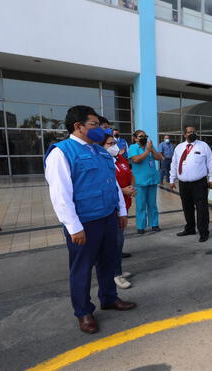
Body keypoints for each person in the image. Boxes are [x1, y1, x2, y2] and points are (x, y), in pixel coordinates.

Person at [44, 105, 135, 334]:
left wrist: (121, 211)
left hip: (107, 217)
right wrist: (74, 227)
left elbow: (112, 183)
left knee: (108, 262)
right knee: (82, 269)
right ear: (78, 126)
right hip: (84, 223)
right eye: (94, 125)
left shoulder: (100, 150)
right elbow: (60, 194)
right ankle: (84, 312)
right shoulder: (62, 152)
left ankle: (109, 298)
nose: (100, 129)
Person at [100, 134, 137, 290]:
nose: (114, 146)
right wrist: (123, 190)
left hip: (124, 204)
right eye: (110, 144)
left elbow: (130, 174)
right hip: (111, 207)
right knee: (115, 241)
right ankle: (115, 274)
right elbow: (103, 185)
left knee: (119, 240)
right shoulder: (102, 161)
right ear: (101, 146)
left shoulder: (120, 159)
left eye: (114, 143)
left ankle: (117, 270)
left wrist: (131, 188)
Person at [169, 126, 212, 242]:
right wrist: (171, 179)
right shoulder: (179, 148)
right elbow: (174, 164)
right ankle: (190, 228)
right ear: (184, 135)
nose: (192, 134)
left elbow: (210, 162)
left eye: (193, 132)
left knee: (202, 208)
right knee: (187, 207)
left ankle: (203, 232)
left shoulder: (203, 146)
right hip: (183, 184)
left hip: (199, 183)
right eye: (189, 132)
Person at [128, 130, 164, 235]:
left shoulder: (150, 146)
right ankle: (141, 226)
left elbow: (159, 158)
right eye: (140, 136)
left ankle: (154, 224)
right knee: (141, 205)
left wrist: (151, 149)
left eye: (145, 136)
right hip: (140, 182)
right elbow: (136, 160)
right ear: (135, 138)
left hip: (152, 180)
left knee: (152, 204)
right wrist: (147, 151)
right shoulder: (133, 148)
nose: (143, 138)